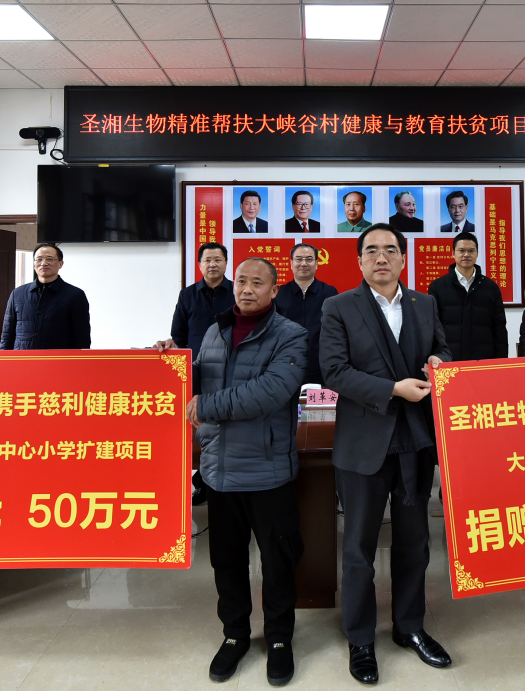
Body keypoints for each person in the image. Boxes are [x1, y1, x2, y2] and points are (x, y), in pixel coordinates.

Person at [320, 224, 452, 685]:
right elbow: (333, 371)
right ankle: (359, 638)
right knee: (358, 547)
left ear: (403, 258)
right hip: (363, 443)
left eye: (390, 250)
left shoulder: (424, 303)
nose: (382, 257)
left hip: (415, 441)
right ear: (359, 260)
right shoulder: (339, 306)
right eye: (372, 250)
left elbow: (441, 349)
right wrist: (392, 389)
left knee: (415, 543)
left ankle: (409, 626)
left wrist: (439, 363)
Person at [186, 257, 308, 687]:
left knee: (277, 561)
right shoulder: (214, 331)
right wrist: (165, 363)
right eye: (241, 281)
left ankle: (279, 638)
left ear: (274, 290)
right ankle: (235, 634)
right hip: (219, 470)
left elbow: (270, 392)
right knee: (226, 561)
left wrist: (206, 407)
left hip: (267, 470)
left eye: (258, 282)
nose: (247, 289)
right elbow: (198, 379)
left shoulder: (291, 335)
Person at [157, 242, 235, 506]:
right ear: (200, 264)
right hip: (198, 371)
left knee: (227, 424)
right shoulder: (187, 295)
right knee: (200, 427)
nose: (213, 264)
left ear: (226, 263)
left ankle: (226, 480)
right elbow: (178, 334)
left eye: (218, 259)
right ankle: (202, 481)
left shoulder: (237, 292)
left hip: (230, 370)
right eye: (207, 260)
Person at [428, 232, 508, 361]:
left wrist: (501, 361)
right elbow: (432, 327)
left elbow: (499, 328)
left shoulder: (490, 287)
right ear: (453, 253)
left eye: (471, 251)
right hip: (448, 359)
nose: (466, 254)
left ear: (477, 254)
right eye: (461, 250)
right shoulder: (438, 286)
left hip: (483, 359)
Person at [0, 243, 91, 350]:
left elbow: (81, 337)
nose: (43, 263)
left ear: (60, 264)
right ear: (34, 263)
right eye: (39, 259)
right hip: (23, 357)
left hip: (57, 358)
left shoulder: (75, 295)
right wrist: (3, 357)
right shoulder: (18, 294)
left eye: (50, 259)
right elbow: (7, 333)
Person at [275, 243, 338, 386]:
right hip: (286, 366)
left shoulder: (329, 292)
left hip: (321, 366)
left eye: (309, 259)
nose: (303, 263)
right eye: (298, 259)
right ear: (291, 263)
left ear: (316, 263)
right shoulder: (279, 293)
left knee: (318, 400)